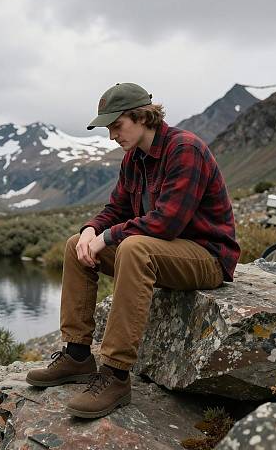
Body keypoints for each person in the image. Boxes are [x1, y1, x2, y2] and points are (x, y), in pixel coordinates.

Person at [26, 82, 240, 418]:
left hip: (207, 257)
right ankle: (78, 355)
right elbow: (117, 209)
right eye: (108, 128)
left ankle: (115, 375)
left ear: (141, 116)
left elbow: (167, 223)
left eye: (116, 125)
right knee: (75, 245)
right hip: (166, 253)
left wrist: (109, 236)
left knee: (134, 248)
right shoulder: (135, 159)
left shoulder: (186, 149)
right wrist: (91, 231)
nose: (112, 135)